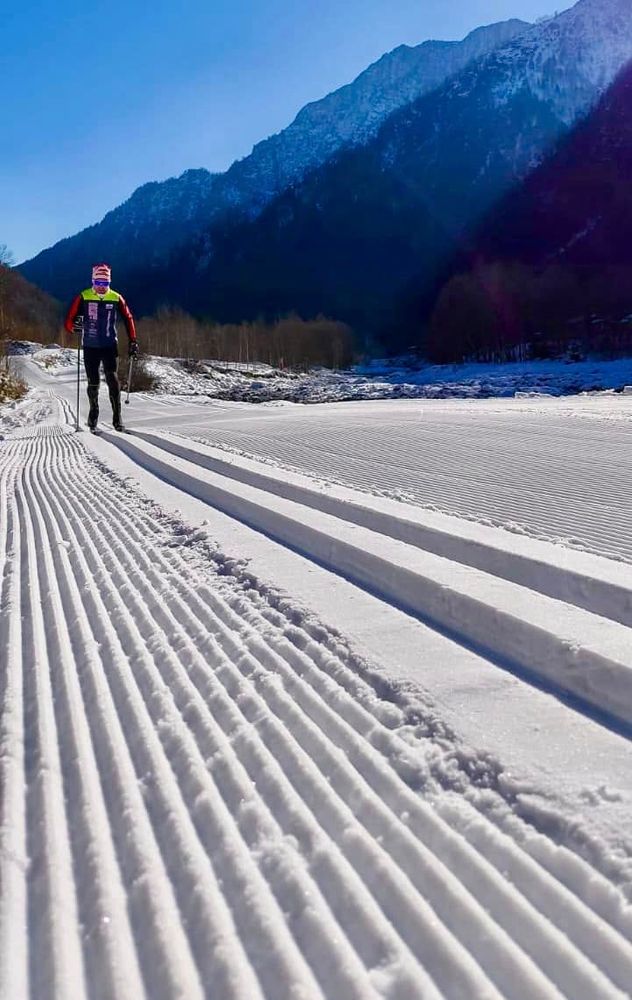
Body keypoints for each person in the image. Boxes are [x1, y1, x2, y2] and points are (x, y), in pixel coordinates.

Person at [64, 263, 138, 431]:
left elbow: (128, 318)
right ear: (93, 281)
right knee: (94, 382)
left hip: (109, 345)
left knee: (112, 379)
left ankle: (117, 418)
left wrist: (133, 341)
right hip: (90, 346)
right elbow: (69, 320)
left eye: (105, 284)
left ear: (109, 283)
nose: (102, 287)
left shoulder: (116, 297)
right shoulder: (83, 296)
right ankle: (94, 412)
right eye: (98, 283)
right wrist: (74, 326)